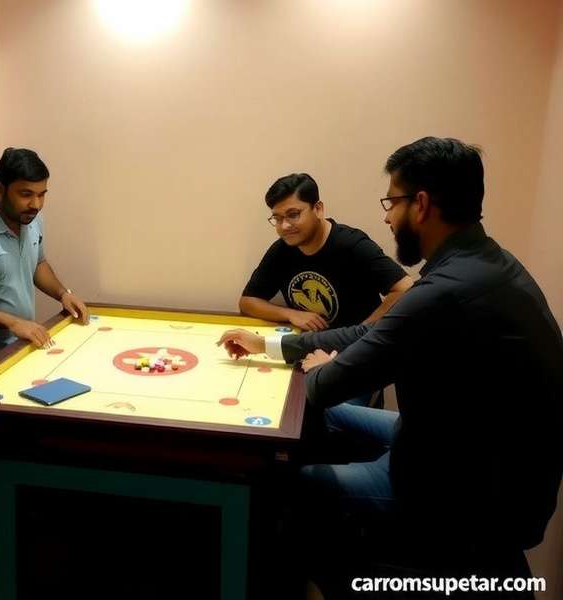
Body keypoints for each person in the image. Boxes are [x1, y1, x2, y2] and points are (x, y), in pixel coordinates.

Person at [219, 137, 563, 595]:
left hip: (463, 486)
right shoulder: (485, 262)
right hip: (454, 442)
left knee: (284, 484)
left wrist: (320, 367)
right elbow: (367, 335)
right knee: (327, 419)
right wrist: (272, 345)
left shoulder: (446, 291)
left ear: (420, 205)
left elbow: (326, 384)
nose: (386, 217)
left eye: (391, 202)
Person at [0, 148, 88, 356]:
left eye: (41, 195)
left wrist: (63, 294)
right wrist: (12, 323)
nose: (36, 204)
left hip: (23, 346)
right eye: (26, 194)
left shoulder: (31, 219)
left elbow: (37, 263)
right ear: (0, 189)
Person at [240, 172, 413, 333]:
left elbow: (405, 289)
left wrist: (361, 334)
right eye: (277, 218)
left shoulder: (351, 244)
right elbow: (247, 302)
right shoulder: (282, 250)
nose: (284, 226)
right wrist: (291, 314)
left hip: (355, 348)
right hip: (310, 344)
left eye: (293, 215)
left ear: (318, 209)